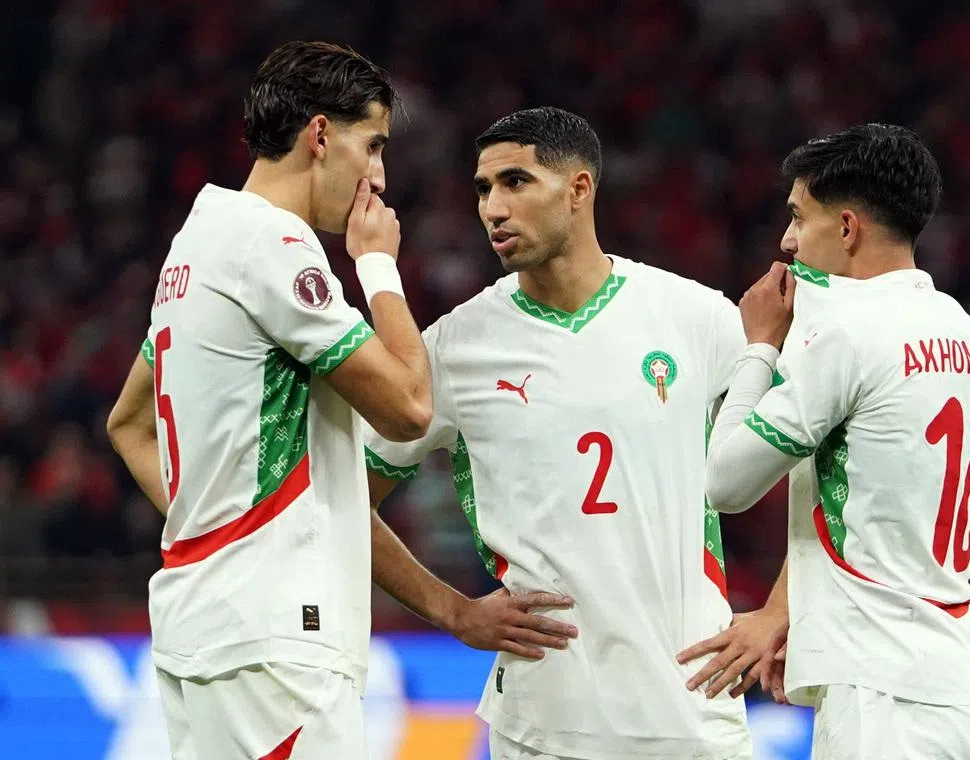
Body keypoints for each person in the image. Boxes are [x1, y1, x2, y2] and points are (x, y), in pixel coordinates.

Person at [104, 40, 546, 760]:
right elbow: (409, 407)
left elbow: (129, 425)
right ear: (319, 135)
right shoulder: (272, 245)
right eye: (372, 145)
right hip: (273, 646)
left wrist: (214, 528)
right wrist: (377, 267)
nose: (379, 175)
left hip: (210, 631)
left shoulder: (198, 243)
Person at [364, 107, 752, 760]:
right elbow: (343, 497)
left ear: (578, 189)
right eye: (483, 189)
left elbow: (818, 444)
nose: (493, 208)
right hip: (544, 725)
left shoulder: (696, 317)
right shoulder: (456, 348)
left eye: (515, 182)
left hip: (692, 714)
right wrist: (454, 611)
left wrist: (781, 610)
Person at [678, 123, 970, 759]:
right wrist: (814, 608)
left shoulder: (845, 335)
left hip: (883, 699)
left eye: (797, 217)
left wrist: (759, 347)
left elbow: (723, 483)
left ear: (846, 228)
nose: (786, 241)